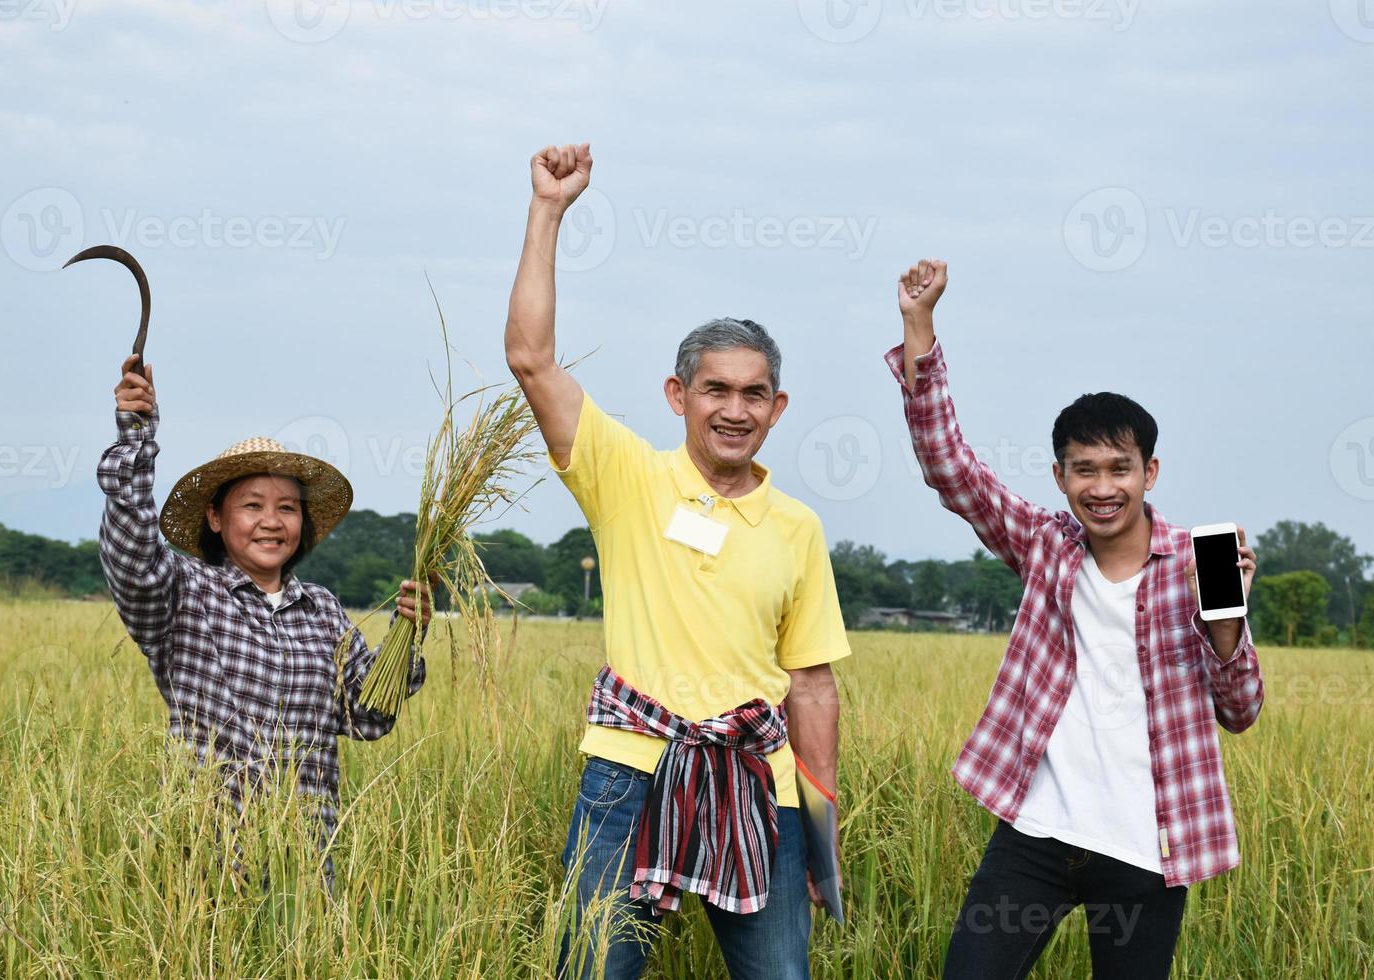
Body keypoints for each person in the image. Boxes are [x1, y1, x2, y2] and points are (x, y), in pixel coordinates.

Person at [505, 143, 853, 980]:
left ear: (778, 406)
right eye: (716, 390)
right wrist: (548, 211)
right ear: (678, 395)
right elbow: (531, 360)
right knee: (592, 972)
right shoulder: (627, 477)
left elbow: (811, 686)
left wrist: (821, 836)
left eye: (754, 393)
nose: (735, 410)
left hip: (759, 790)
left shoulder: (797, 526)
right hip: (630, 778)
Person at [887, 259, 1264, 979]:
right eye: (1083, 470)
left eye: (1119, 468)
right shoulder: (1044, 544)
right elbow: (949, 468)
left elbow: (1242, 711)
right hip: (1036, 836)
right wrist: (919, 324)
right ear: (1060, 477)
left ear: (1149, 473)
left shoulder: (1201, 557)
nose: (1102, 487)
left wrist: (1225, 625)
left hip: (1150, 849)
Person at [98, 353, 430, 872]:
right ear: (215, 517)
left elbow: (368, 715)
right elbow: (133, 556)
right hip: (204, 865)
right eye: (252, 505)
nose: (271, 522)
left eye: (287, 507)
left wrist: (407, 635)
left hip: (307, 868)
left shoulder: (322, 611)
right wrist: (136, 440)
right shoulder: (186, 593)